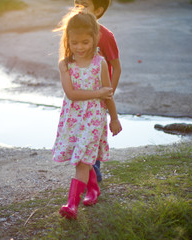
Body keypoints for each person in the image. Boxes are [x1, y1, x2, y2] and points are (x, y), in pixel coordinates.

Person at [52, 9, 122, 220]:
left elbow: (108, 95)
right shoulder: (65, 65)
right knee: (79, 156)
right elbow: (71, 94)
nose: (80, 47)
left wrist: (114, 118)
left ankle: (71, 205)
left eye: (85, 42)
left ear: (94, 39)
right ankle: (93, 189)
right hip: (73, 118)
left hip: (93, 118)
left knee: (82, 160)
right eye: (74, 43)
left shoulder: (100, 63)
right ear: (68, 41)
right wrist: (97, 93)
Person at [74, 0, 121, 182]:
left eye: (84, 5)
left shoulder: (105, 36)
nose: (79, 9)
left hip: (99, 98)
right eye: (77, 4)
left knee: (93, 137)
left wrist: (108, 94)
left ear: (98, 10)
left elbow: (116, 68)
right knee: (78, 134)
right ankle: (84, 174)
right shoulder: (73, 32)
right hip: (78, 97)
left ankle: (93, 177)